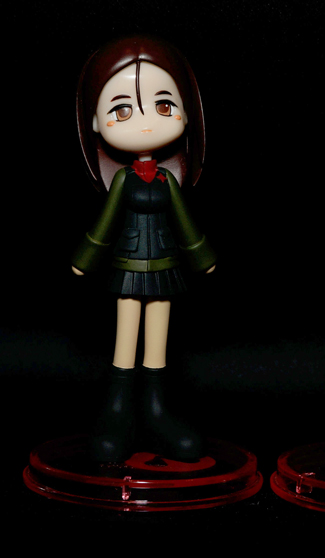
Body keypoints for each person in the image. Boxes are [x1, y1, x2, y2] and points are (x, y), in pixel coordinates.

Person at [72, 36, 216, 462]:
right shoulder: (122, 179)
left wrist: (203, 258)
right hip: (128, 264)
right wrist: (84, 260)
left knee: (157, 342)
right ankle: (118, 412)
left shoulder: (168, 181)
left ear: (187, 112)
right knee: (125, 337)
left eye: (164, 105)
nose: (147, 122)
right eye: (121, 110)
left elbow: (186, 225)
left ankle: (156, 412)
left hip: (166, 264)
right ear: (94, 122)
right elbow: (104, 224)